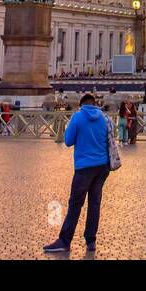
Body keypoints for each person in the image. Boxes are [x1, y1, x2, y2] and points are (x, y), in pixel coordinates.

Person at [43, 93, 113, 254]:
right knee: (94, 204)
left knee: (75, 204)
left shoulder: (78, 117)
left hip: (84, 167)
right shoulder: (104, 118)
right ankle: (91, 241)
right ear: (95, 104)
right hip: (102, 167)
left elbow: (68, 141)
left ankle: (64, 240)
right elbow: (109, 138)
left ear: (82, 105)